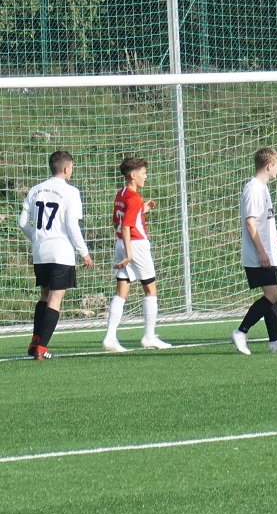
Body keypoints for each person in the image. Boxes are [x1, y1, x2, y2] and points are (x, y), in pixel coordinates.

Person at [18, 150, 94, 360]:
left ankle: (35, 340)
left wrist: (37, 238)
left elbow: (22, 223)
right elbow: (72, 225)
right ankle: (42, 348)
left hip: (40, 252)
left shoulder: (35, 190)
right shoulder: (71, 192)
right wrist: (84, 252)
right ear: (67, 168)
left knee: (44, 295)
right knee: (55, 299)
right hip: (61, 253)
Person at [231, 148, 277, 355]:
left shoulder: (263, 188)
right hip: (258, 254)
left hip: (268, 251)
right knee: (271, 295)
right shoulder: (253, 189)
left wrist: (275, 234)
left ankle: (275, 341)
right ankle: (241, 331)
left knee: (272, 296)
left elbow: (263, 220)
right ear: (269, 166)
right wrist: (261, 252)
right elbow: (250, 222)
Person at [102, 157, 172, 352]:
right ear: (133, 175)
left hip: (120, 243)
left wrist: (142, 210)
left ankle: (110, 337)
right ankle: (149, 336)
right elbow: (126, 226)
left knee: (121, 292)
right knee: (150, 289)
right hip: (136, 245)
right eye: (143, 173)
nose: (145, 176)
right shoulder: (134, 197)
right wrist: (130, 253)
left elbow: (117, 222)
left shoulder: (121, 194)